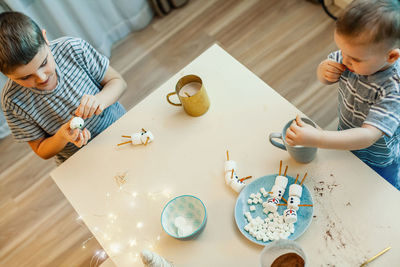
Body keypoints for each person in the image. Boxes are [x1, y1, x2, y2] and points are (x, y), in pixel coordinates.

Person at [285, 0, 400, 189]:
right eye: (342, 50)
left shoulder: (394, 89)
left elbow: (368, 135)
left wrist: (319, 138)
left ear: (391, 56)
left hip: (379, 157)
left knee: (382, 190)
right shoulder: (354, 55)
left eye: (353, 59)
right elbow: (328, 76)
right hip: (346, 134)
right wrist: (323, 72)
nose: (343, 59)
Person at [0, 11, 127, 165]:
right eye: (25, 77)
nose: (42, 78)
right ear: (7, 75)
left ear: (45, 38)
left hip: (121, 131)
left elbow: (118, 82)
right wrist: (62, 136)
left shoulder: (73, 49)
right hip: (81, 162)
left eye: (43, 63)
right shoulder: (12, 101)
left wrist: (100, 100)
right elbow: (41, 150)